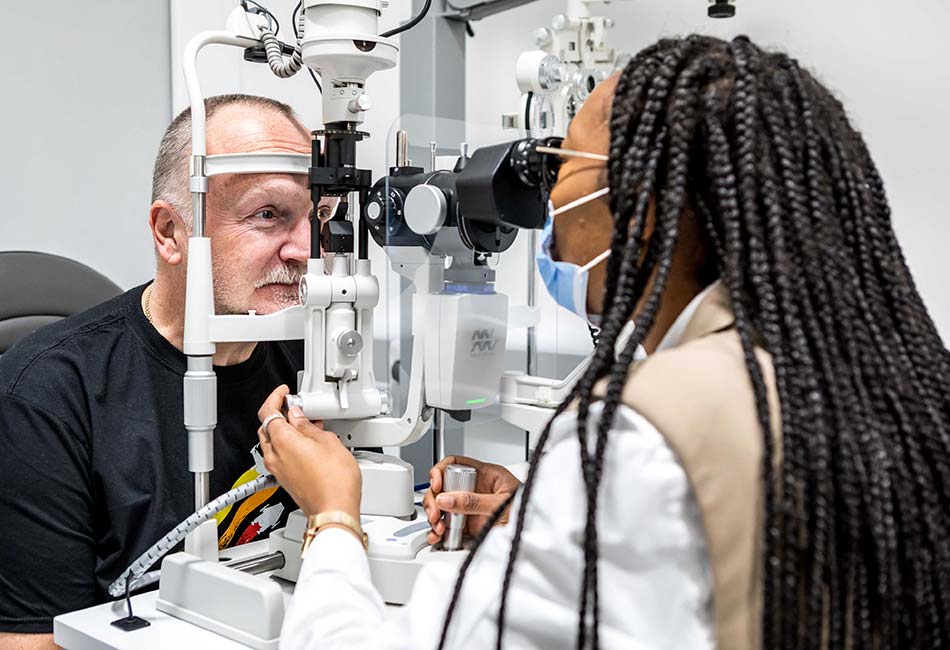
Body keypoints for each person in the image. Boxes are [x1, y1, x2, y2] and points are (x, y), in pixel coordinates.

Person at [256, 35, 950, 649]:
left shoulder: (638, 437)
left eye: (560, 167)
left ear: (642, 210)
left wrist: (333, 517)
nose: (549, 205)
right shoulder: (885, 381)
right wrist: (542, 519)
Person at [0, 94, 336, 649]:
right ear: (169, 233)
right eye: (268, 214)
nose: (304, 249)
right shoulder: (45, 396)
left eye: (316, 217)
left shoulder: (310, 356)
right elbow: (33, 645)